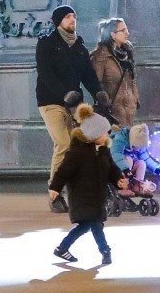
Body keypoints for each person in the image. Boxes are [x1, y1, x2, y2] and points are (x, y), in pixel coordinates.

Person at [35, 5, 104, 212]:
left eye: (74, 16)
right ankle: (54, 193)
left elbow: (89, 76)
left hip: (74, 104)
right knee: (63, 143)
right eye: (67, 17)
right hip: (51, 102)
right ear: (59, 22)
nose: (72, 20)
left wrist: (99, 93)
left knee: (77, 147)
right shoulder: (47, 44)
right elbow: (45, 73)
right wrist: (63, 92)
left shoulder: (80, 48)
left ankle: (73, 190)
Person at [47, 103, 127, 267]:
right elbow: (63, 171)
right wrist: (55, 187)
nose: (107, 135)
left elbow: (111, 168)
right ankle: (105, 252)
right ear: (93, 134)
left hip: (97, 196)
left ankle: (62, 248)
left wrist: (118, 179)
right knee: (95, 225)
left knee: (87, 226)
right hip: (82, 197)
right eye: (104, 132)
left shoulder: (103, 151)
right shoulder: (77, 154)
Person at [90, 18, 139, 128]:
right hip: (112, 112)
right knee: (116, 143)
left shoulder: (127, 53)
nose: (127, 33)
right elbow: (95, 84)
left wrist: (135, 99)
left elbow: (132, 80)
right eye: (123, 30)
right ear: (113, 35)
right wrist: (105, 101)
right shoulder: (100, 56)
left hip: (129, 111)